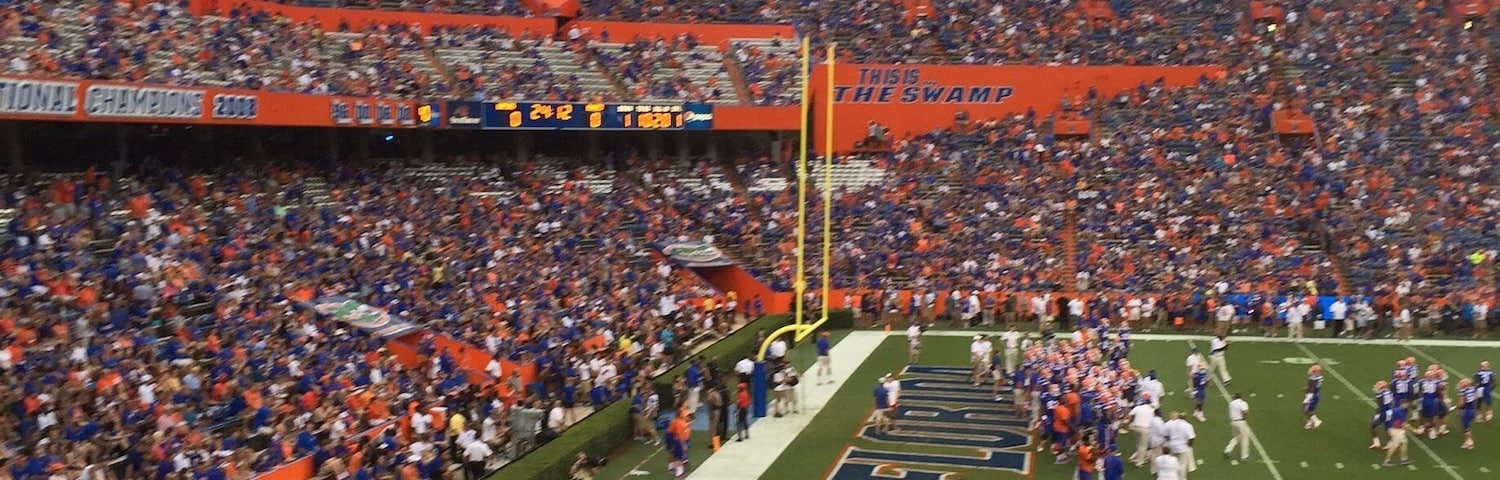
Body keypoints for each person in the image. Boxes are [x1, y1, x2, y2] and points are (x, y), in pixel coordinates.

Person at [1164, 412, 1196, 480]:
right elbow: (1191, 438)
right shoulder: (1188, 426)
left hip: (1172, 446)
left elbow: (1166, 435)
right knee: (1182, 464)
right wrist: (1189, 446)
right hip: (1182, 448)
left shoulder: (1171, 424)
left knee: (1173, 462)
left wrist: (1171, 441)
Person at [1128, 400, 1157, 466]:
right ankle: (1139, 461)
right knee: (1143, 446)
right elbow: (1153, 419)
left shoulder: (1138, 407)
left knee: (1138, 444)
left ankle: (1135, 457)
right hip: (1145, 429)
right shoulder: (1151, 410)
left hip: (1136, 427)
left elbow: (1130, 414)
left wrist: (1130, 423)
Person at [1223, 393, 1251, 462]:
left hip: (1233, 422)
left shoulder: (1231, 404)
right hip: (1240, 421)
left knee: (1237, 437)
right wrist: (1244, 419)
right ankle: (1244, 455)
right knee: (1245, 437)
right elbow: (1245, 411)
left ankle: (1228, 449)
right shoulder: (1243, 403)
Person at [1371, 380, 1394, 450]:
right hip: (1389, 411)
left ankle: (1377, 442)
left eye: (1378, 385)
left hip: (1383, 412)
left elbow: (1380, 404)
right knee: (1388, 428)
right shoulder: (1388, 391)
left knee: (1372, 426)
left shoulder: (1380, 394)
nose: (1376, 386)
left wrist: (1378, 413)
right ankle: (1390, 443)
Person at [1459, 378, 1479, 450]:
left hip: (1466, 410)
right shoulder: (1473, 389)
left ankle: (1469, 441)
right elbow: (1476, 400)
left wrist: (1458, 407)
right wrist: (1476, 410)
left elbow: (1461, 403)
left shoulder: (1462, 391)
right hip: (1473, 409)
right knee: (1467, 425)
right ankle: (1466, 441)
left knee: (1465, 427)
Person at [1304, 365, 1324, 430]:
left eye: (1314, 371)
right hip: (1316, 394)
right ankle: (1309, 423)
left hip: (1312, 395)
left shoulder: (1313, 378)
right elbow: (1315, 386)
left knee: (1307, 409)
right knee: (1310, 409)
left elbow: (1312, 388)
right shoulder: (1320, 377)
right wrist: (1307, 388)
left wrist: (1309, 397)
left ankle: (1316, 421)